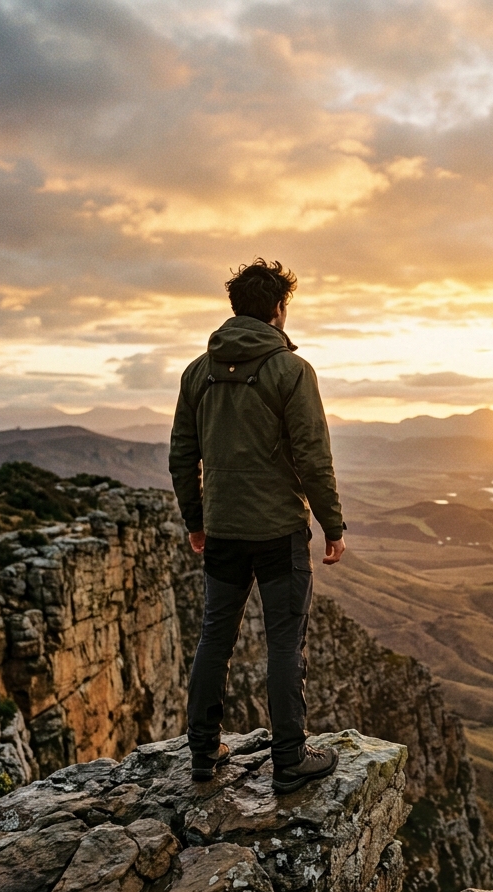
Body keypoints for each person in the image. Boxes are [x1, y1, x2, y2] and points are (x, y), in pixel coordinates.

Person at [169, 258, 346, 793]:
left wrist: (196, 520)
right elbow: (313, 457)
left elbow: (182, 456)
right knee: (285, 644)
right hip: (278, 531)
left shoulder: (197, 372)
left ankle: (203, 752)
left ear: (235, 307)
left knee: (214, 638)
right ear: (278, 309)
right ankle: (289, 759)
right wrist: (333, 524)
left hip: (222, 529)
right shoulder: (292, 371)